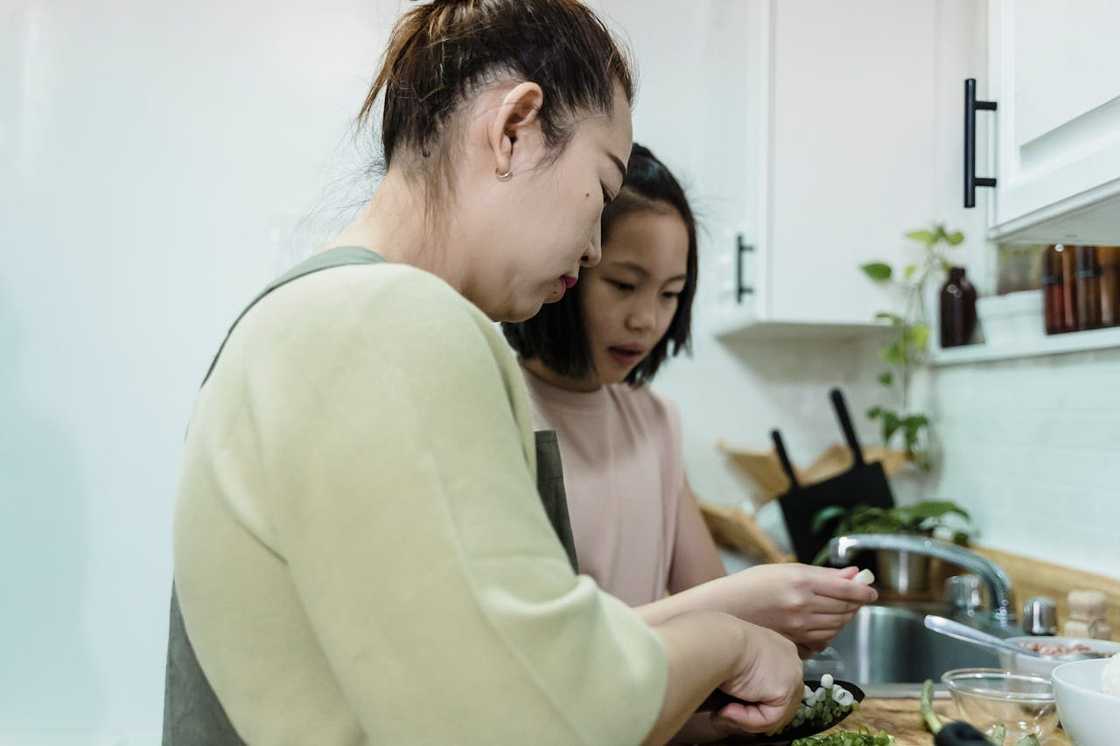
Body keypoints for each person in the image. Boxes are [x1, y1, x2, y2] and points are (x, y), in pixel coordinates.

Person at [165, 2, 803, 745]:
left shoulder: (322, 312)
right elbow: (539, 718)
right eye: (598, 191)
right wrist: (731, 642)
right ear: (513, 129)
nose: (594, 248)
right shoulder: (386, 323)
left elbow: (471, 660)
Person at [502, 144, 878, 740]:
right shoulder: (500, 409)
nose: (647, 319)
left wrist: (792, 613)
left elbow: (709, 594)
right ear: (569, 267)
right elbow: (536, 659)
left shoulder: (655, 420)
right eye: (625, 285)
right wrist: (745, 604)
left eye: (670, 294)